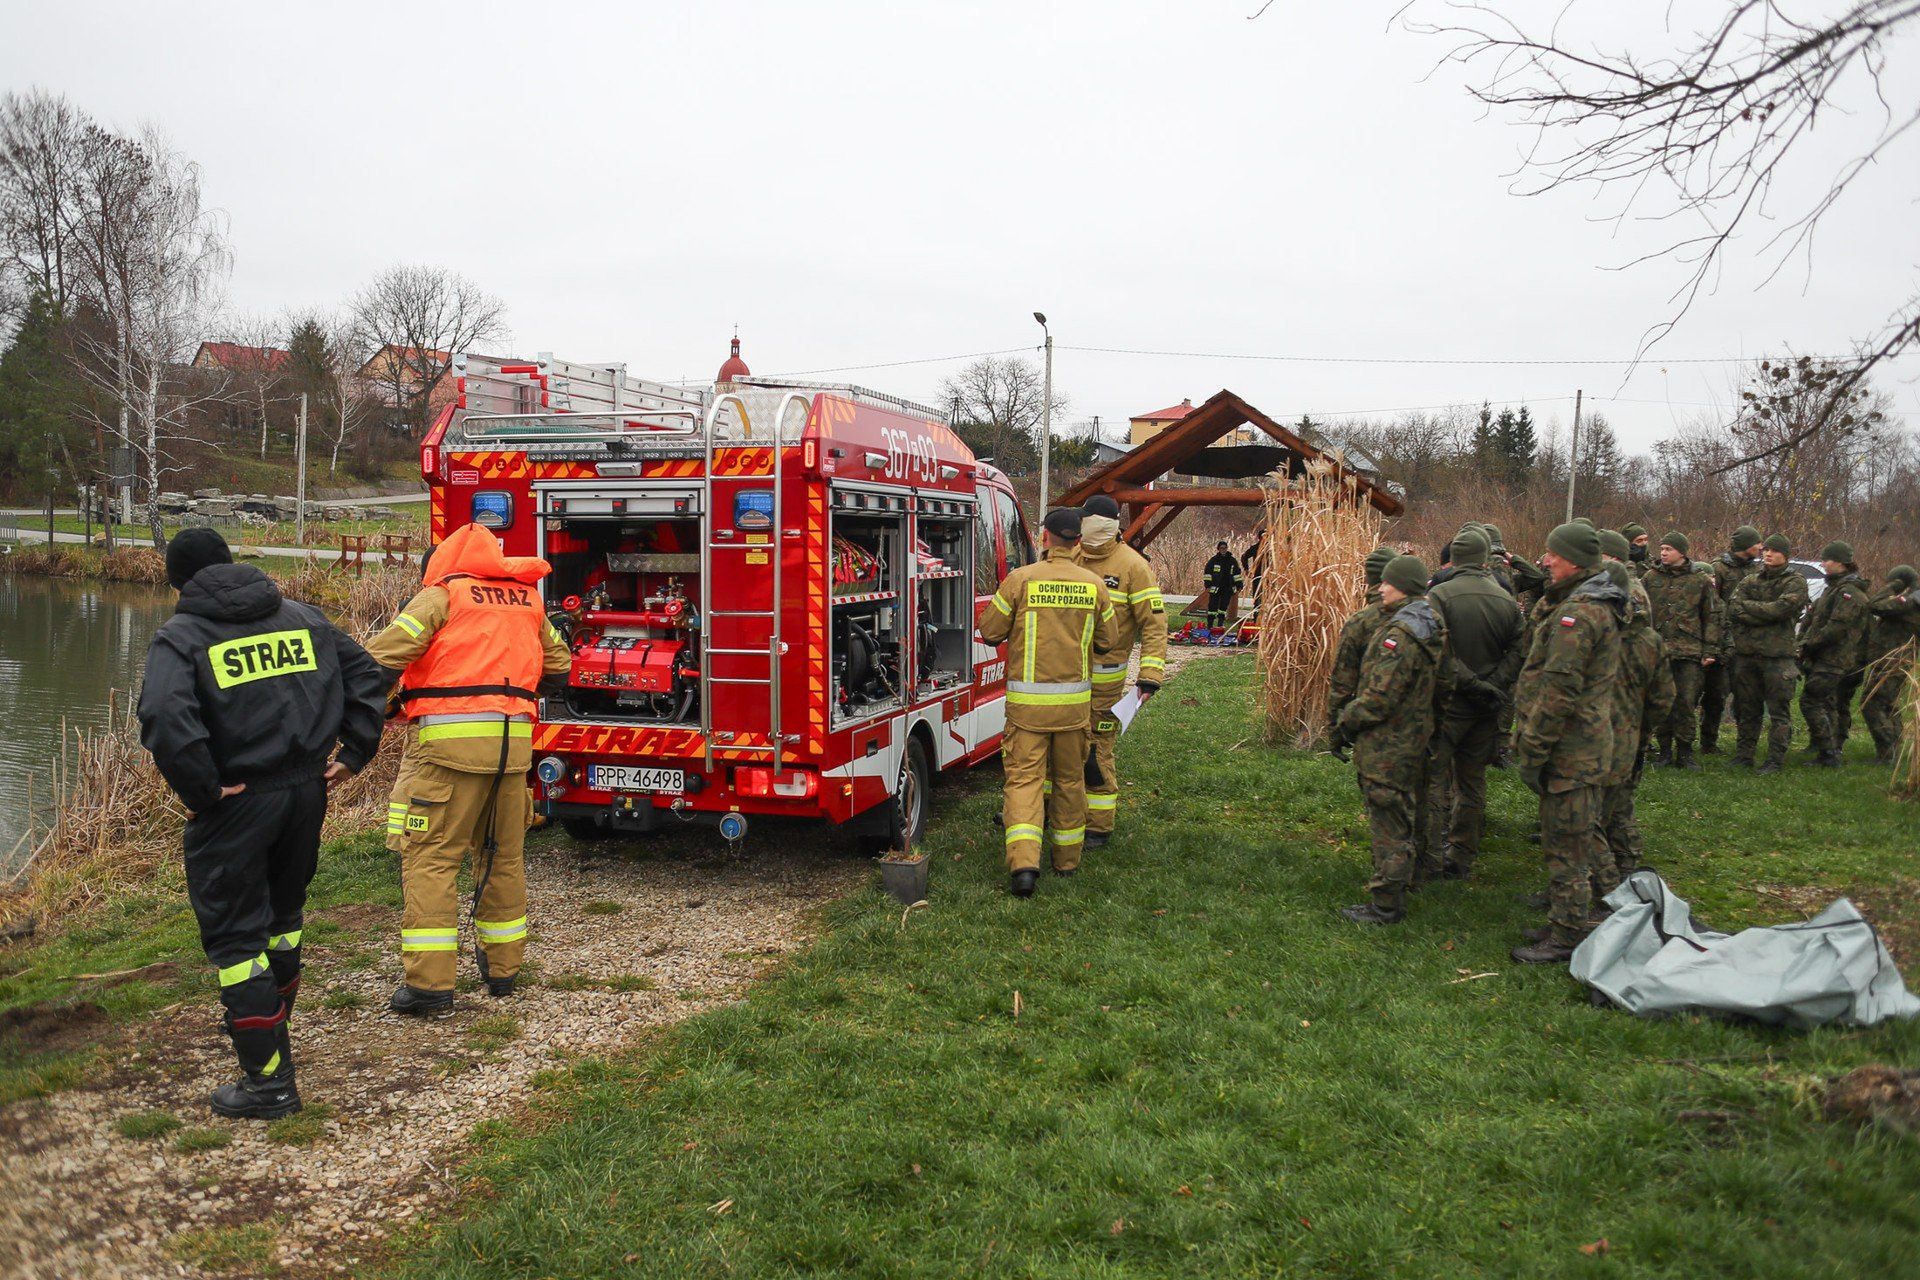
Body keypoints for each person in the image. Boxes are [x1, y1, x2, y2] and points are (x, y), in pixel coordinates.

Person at [137, 529, 387, 1118]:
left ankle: (269, 1085)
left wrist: (203, 788)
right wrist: (354, 752)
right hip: (304, 792)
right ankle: (271, 1044)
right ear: (230, 563)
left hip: (238, 802)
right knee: (282, 919)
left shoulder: (182, 636)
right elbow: (369, 677)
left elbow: (164, 714)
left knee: (236, 939)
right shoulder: (303, 617)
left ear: (178, 580)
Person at [367, 523, 572, 1016]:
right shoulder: (528, 600)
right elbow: (560, 665)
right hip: (512, 755)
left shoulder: (441, 598)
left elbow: (377, 661)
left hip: (445, 756)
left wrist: (384, 705)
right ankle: (504, 973)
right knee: (502, 858)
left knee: (431, 860)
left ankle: (429, 988)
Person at [978, 508, 1116, 896]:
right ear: (1078, 542)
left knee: (1024, 782)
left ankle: (1024, 866)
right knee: (1071, 782)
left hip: (1027, 713)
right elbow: (1108, 641)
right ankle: (1067, 862)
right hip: (1074, 713)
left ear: (1044, 538)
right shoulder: (1094, 585)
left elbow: (989, 631)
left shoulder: (1020, 581)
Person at [1509, 522, 1625, 965]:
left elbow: (1559, 691)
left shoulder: (1580, 615)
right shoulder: (1582, 604)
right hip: (1578, 746)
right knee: (1570, 838)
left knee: (1567, 846)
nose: (1545, 560)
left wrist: (1533, 751)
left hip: (1570, 750)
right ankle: (1568, 918)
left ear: (1574, 559)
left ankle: (1568, 935)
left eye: (1552, 554)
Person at [1331, 555, 1447, 925]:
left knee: (1389, 823)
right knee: (1411, 809)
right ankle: (1414, 874)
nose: (1380, 587)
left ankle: (1385, 904)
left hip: (1389, 744)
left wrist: (1345, 721)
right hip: (1418, 734)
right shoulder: (1432, 623)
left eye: (1388, 582)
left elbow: (1378, 698)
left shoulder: (1400, 634)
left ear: (1404, 586)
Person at [1424, 528, 1523, 881]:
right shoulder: (1505, 599)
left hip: (1448, 705)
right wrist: (1493, 684)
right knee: (1472, 781)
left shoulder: (1438, 596)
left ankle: (1432, 856)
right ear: (1484, 558)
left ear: (1453, 559)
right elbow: (1520, 648)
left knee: (1434, 780)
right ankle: (1462, 857)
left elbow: (1437, 649)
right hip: (1486, 707)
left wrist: (1471, 682)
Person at [1075, 495, 1169, 849]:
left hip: (1104, 678)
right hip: (1063, 676)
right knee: (1061, 746)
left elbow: (1155, 625)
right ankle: (1053, 812)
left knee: (1096, 751)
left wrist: (1150, 674)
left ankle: (1099, 825)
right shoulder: (1072, 556)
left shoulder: (1133, 567)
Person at [1593, 564, 1673, 897]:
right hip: (1631, 735)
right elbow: (1663, 696)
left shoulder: (1596, 635)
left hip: (1596, 739)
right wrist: (1644, 728)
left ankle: (1603, 885)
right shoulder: (1649, 640)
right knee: (1620, 804)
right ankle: (1628, 866)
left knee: (1588, 818)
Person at [1726, 534, 1810, 773]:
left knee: (1778, 712)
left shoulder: (1795, 581)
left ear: (1785, 554)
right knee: (1747, 708)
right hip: (1747, 655)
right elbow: (1733, 607)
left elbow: (1781, 610)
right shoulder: (1751, 579)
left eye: (1774, 550)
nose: (1768, 554)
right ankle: (1744, 755)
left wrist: (1752, 610)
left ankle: (1775, 759)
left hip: (1777, 657)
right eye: (1765, 550)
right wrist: (1765, 613)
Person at [1642, 531, 1720, 769]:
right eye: (1662, 548)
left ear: (1682, 552)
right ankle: (1664, 751)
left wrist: (1710, 650)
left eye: (1669, 549)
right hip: (1658, 650)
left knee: (1686, 702)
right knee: (1662, 701)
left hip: (1689, 651)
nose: (1663, 553)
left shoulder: (1700, 580)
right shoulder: (1650, 578)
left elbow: (1711, 616)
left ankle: (1685, 752)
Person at [1797, 541, 1870, 768]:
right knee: (1825, 702)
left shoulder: (1849, 593)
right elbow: (1815, 620)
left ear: (1840, 563)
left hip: (1836, 659)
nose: (1823, 563)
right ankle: (1828, 750)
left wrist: (1807, 644)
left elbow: (1835, 629)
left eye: (1827, 559)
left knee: (1812, 699)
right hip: (1827, 657)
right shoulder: (1835, 589)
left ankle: (1829, 754)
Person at [1326, 547, 1396, 743]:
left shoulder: (1360, 621)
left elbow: (1343, 680)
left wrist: (1335, 726)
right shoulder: (1422, 615)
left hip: (1372, 723)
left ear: (1367, 578)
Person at [1704, 526, 1764, 754]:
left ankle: (1745, 743)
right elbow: (1711, 605)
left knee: (1746, 696)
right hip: (1723, 641)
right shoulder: (1718, 568)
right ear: (1746, 544)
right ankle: (1709, 742)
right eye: (1757, 543)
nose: (1761, 547)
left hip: (1749, 642)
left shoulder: (1757, 570)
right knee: (1716, 695)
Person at [1863, 565, 1920, 764]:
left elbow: (1874, 604)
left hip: (1892, 660)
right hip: (1899, 660)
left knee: (1871, 704)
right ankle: (1896, 748)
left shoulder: (1908, 603)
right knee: (1889, 705)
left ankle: (1887, 752)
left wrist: (1893, 587)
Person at [1202, 539, 1243, 631]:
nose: (1223, 550)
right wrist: (1208, 585)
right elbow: (1207, 573)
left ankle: (1220, 623)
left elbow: (1237, 574)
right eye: (1221, 548)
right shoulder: (1213, 560)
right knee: (1212, 606)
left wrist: (1239, 585)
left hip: (1227, 587)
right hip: (1215, 587)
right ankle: (1210, 624)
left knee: (1223, 607)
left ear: (1227, 548)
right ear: (1218, 549)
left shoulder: (1232, 561)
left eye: (1225, 548)